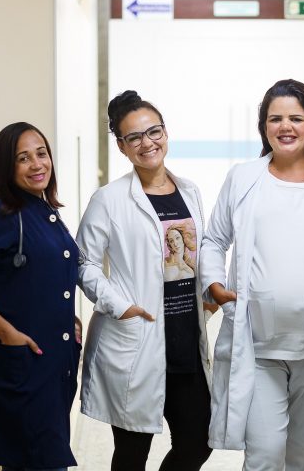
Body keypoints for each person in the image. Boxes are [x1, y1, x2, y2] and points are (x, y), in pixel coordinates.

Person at [201, 79, 304, 470]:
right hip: (257, 347)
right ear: (264, 127)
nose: (285, 126)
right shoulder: (244, 179)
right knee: (264, 454)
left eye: (296, 117)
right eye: (275, 118)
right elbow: (214, 239)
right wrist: (215, 287)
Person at [77, 91, 215, 471]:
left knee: (199, 441)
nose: (146, 142)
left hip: (185, 335)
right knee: (132, 453)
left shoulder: (189, 191)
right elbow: (83, 262)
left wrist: (208, 291)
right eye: (134, 137)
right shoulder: (109, 199)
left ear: (166, 133)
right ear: (122, 147)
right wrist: (120, 306)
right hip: (138, 338)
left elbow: (194, 255)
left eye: (153, 131)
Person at [0, 122, 81, 471]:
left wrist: (71, 321)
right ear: (7, 167)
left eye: (42, 153)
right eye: (23, 158)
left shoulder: (45, 212)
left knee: (40, 459)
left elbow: (44, 277)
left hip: (50, 362)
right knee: (35, 460)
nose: (37, 164)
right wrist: (6, 332)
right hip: (24, 363)